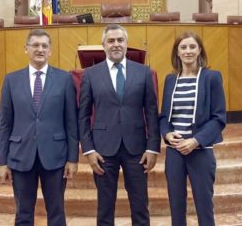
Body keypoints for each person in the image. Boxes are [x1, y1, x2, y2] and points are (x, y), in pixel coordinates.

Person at [78, 24, 160, 226]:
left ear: (126, 44)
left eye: (120, 40)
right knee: (105, 208)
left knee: (140, 206)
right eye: (111, 41)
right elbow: (83, 115)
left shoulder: (143, 72)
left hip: (137, 149)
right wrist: (88, 150)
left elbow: (151, 112)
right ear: (104, 45)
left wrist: (152, 148)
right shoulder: (90, 74)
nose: (116, 44)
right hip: (103, 150)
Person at [0, 29, 79, 226]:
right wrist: (2, 161)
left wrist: (72, 158)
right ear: (26, 49)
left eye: (44, 46)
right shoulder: (11, 80)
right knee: (23, 213)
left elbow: (71, 122)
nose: (40, 49)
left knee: (57, 213)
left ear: (50, 50)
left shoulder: (64, 79)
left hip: (55, 157)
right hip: (20, 156)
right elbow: (5, 124)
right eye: (35, 45)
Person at [159, 31, 226, 226]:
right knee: (176, 207)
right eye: (183, 47)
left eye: (192, 47)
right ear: (177, 53)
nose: (188, 51)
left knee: (204, 208)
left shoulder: (211, 77)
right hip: (175, 152)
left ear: (199, 51)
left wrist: (196, 140)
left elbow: (219, 117)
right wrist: (167, 133)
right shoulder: (171, 80)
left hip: (200, 151)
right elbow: (164, 117)